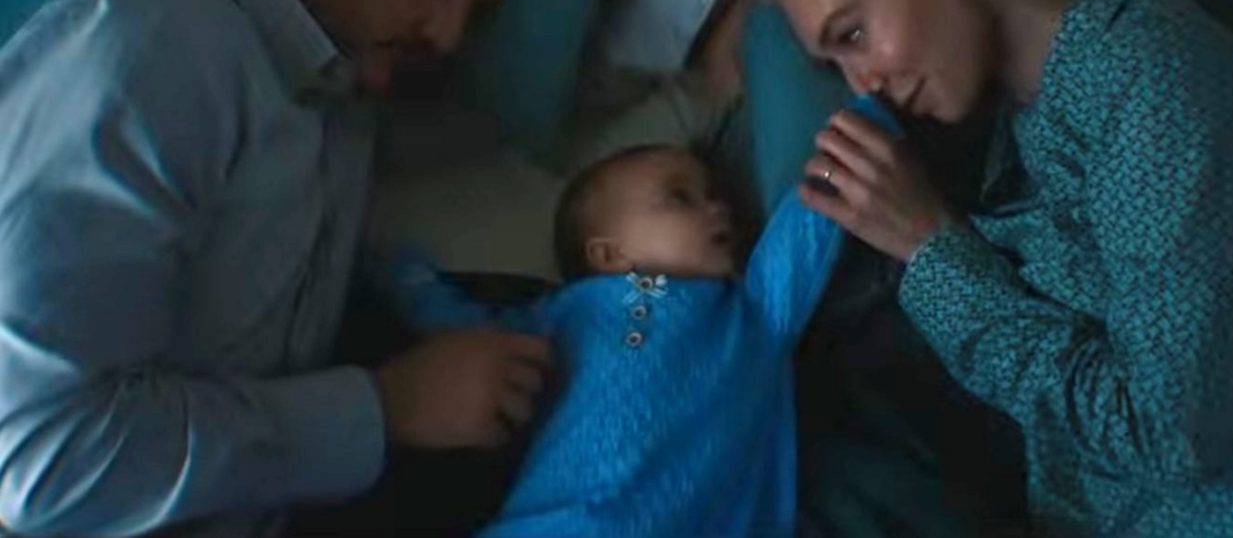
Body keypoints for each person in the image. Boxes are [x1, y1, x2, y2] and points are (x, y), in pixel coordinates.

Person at [0, 0, 557, 537]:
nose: (449, 36)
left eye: (477, 11)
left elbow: (574, 93)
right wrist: (385, 409)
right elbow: (39, 464)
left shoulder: (338, 92)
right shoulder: (148, 53)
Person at [763, 0, 1233, 536]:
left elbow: (1169, 436)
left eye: (854, 34)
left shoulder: (1148, 73)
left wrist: (930, 249)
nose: (863, 85)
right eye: (835, 64)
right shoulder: (1017, 140)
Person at [377, 107, 965, 538]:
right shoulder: (560, 317)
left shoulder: (753, 313)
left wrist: (863, 125)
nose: (717, 206)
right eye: (680, 197)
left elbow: (808, 221)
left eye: (712, 194)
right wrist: (410, 280)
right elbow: (473, 337)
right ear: (609, 254)